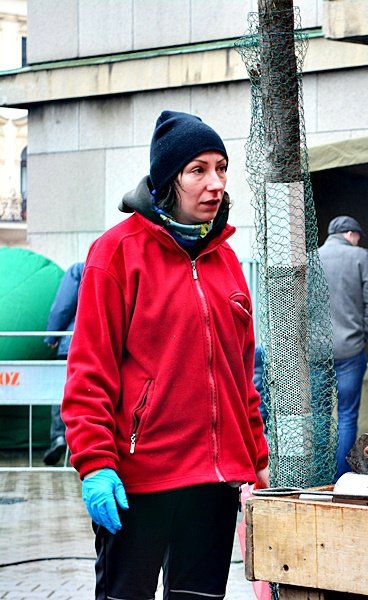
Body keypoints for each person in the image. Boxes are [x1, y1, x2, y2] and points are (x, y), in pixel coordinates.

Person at [61, 110, 269, 599]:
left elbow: (242, 379)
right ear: (167, 181)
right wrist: (95, 464)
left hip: (215, 486)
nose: (214, 184)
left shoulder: (226, 261)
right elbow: (89, 373)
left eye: (221, 168)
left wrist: (257, 461)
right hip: (138, 483)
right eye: (198, 170)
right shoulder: (116, 253)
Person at [319, 215, 368, 479]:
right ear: (349, 234)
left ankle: (318, 477)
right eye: (357, 236)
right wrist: (364, 333)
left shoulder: (312, 258)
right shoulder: (359, 257)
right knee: (346, 416)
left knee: (321, 417)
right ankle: (341, 478)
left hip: (317, 352)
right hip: (350, 349)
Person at [42, 260, 84, 466]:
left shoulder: (80, 269)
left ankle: (59, 437)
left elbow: (63, 305)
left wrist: (52, 336)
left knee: (62, 391)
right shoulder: (124, 266)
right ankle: (87, 446)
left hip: (73, 341)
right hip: (106, 342)